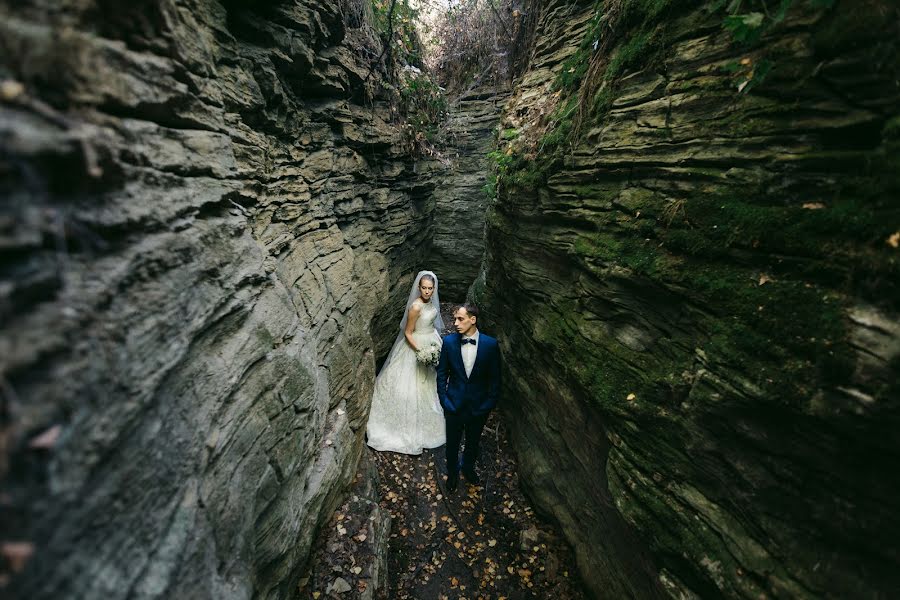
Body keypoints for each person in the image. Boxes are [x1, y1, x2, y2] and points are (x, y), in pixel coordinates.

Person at [366, 271, 446, 454]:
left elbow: (432, 323)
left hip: (430, 340)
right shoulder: (416, 307)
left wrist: (433, 346)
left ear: (434, 289)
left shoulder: (432, 303)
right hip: (415, 345)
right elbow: (408, 332)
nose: (427, 292)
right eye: (424, 288)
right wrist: (421, 351)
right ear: (419, 288)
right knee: (408, 387)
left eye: (430, 289)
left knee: (428, 383)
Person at [436, 303, 501, 492]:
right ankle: (453, 473)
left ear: (473, 320)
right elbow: (442, 374)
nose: (455, 323)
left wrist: (488, 404)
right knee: (452, 443)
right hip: (453, 405)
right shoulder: (448, 343)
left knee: (473, 442)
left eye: (460, 319)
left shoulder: (490, 345)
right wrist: (444, 400)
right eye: (455, 319)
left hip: (478, 407)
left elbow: (495, 379)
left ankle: (468, 468)